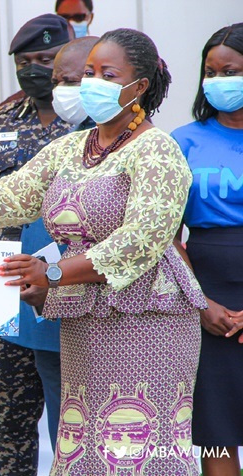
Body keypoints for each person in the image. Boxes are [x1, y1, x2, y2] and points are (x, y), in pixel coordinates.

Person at [0, 28, 206, 475]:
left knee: (137, 451)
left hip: (148, 317)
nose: (92, 83)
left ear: (139, 86)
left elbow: (141, 239)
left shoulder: (157, 149)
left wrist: (50, 274)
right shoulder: (69, 148)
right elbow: (7, 197)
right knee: (83, 448)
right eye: (88, 73)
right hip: (84, 318)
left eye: (108, 74)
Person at [0, 14, 72, 476]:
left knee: (75, 422)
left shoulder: (100, 124)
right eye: (24, 61)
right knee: (11, 421)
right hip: (4, 289)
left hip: (72, 287)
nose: (35, 69)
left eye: (46, 60)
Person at [171, 22, 243, 476]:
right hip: (206, 294)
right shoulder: (183, 140)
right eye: (210, 73)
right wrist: (201, 303)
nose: (218, 82)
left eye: (230, 71)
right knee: (216, 436)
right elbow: (166, 236)